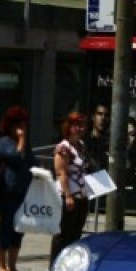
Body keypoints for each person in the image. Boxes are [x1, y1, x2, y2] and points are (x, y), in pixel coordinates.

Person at [0, 105, 37, 271]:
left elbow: (32, 161)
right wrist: (21, 140)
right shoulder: (4, 142)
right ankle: (0, 267)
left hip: (23, 191)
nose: (23, 128)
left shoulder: (25, 144)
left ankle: (13, 266)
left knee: (19, 230)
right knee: (6, 229)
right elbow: (16, 157)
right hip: (7, 191)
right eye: (19, 125)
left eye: (24, 125)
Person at [51, 111, 90, 261]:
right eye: (77, 126)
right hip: (68, 196)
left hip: (82, 194)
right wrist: (68, 196)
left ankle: (70, 264)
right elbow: (61, 173)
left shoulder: (81, 146)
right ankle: (55, 265)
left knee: (76, 233)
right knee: (63, 233)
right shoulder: (63, 147)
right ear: (69, 127)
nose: (80, 129)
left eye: (82, 126)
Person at [84, 103, 111, 175]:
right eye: (100, 114)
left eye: (106, 115)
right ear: (93, 117)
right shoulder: (84, 141)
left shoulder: (111, 144)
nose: (103, 118)